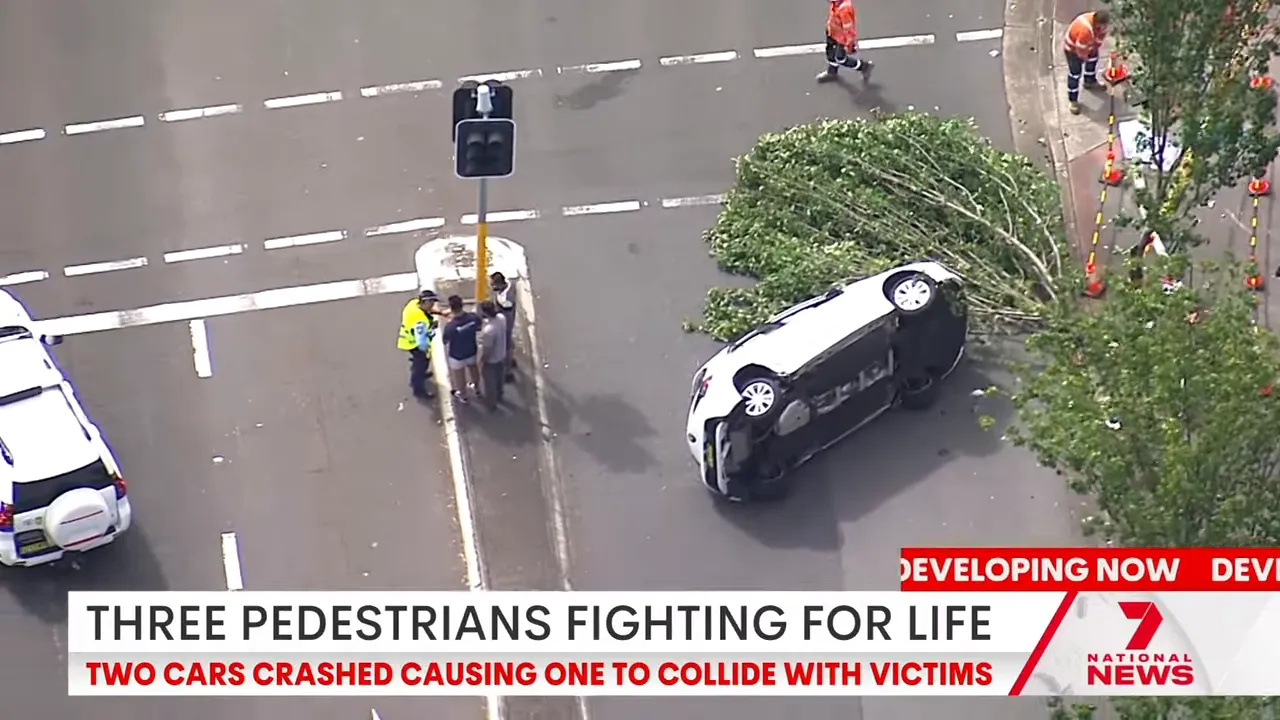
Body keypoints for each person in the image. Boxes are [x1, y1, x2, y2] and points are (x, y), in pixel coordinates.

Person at [1063, 9, 1110, 115]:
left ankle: (1089, 81)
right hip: (1073, 49)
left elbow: (1100, 38)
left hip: (1088, 45)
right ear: (1097, 23)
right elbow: (1080, 49)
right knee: (1075, 74)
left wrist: (1094, 48)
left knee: (1093, 59)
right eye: (1102, 27)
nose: (1104, 29)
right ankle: (1073, 100)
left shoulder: (1100, 25)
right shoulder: (1086, 30)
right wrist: (1083, 58)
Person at [816, 0, 874, 83]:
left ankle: (864, 66)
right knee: (830, 53)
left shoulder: (845, 9)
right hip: (832, 33)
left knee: (840, 58)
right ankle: (832, 71)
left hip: (842, 39)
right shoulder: (835, 3)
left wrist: (849, 44)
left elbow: (849, 29)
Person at [397, 290, 440, 399]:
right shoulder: (419, 321)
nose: (433, 305)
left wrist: (440, 312)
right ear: (425, 302)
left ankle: (420, 375)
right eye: (431, 303)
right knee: (420, 366)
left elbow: (427, 312)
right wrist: (432, 328)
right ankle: (418, 389)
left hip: (407, 340)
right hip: (414, 344)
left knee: (419, 364)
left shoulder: (413, 303)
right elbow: (422, 341)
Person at [442, 295, 482, 403]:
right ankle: (477, 388)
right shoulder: (473, 318)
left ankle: (463, 395)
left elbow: (445, 340)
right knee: (473, 369)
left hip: (457, 355)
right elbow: (479, 327)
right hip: (471, 350)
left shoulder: (450, 326)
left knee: (459, 376)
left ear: (451, 308)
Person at [477, 300, 509, 412]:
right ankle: (500, 396)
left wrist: (481, 362)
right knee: (499, 379)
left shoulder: (488, 331)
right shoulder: (501, 318)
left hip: (492, 360)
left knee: (490, 384)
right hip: (502, 355)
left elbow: (487, 350)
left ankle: (491, 404)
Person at [490, 272, 518, 380]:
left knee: (505, 347)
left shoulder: (506, 300)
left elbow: (502, 307)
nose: (492, 287)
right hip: (506, 322)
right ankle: (511, 360)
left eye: (494, 285)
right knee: (509, 341)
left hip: (505, 324)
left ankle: (508, 371)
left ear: (501, 284)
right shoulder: (509, 286)